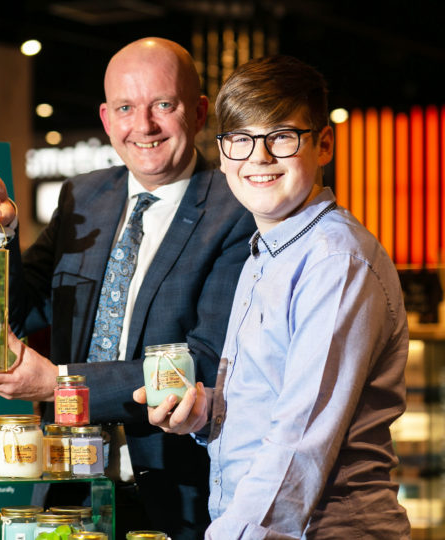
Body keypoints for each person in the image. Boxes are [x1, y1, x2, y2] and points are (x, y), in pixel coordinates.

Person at [0, 37, 255, 538]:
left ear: (200, 112)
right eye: (125, 107)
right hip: (68, 484)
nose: (144, 126)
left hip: (173, 497)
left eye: (164, 104)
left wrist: (60, 383)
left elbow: (203, 362)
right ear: (105, 117)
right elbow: (20, 314)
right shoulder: (84, 196)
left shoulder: (237, 209)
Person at [136, 55, 411, 538]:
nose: (258, 158)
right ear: (222, 156)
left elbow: (300, 442)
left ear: (323, 144)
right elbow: (276, 401)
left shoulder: (333, 260)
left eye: (281, 136)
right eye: (241, 140)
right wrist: (207, 413)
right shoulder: (269, 252)